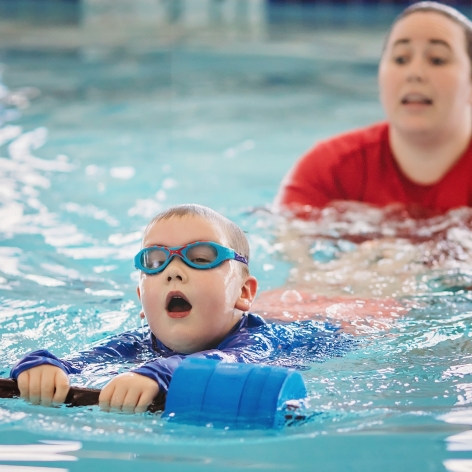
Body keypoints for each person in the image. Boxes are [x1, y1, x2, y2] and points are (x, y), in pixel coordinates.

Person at [10, 204, 352, 413]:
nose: (172, 270)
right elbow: (85, 361)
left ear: (243, 293)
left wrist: (161, 372)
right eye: (155, 261)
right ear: (141, 299)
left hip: (344, 320)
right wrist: (47, 365)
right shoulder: (140, 342)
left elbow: (229, 362)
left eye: (201, 258)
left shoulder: (261, 342)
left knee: (348, 277)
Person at [276, 1, 472, 217]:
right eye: (400, 59)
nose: (415, 73)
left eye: (437, 60)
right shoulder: (329, 171)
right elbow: (288, 245)